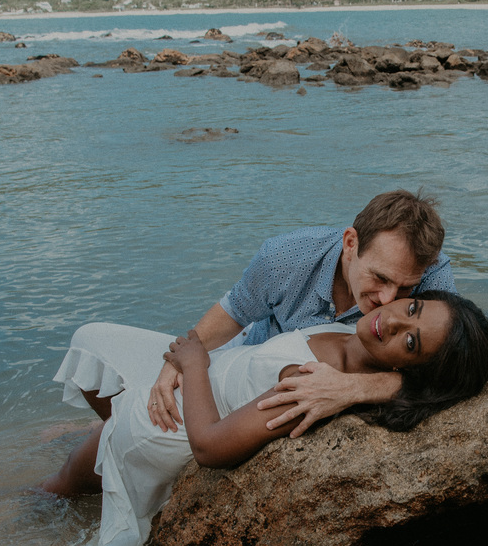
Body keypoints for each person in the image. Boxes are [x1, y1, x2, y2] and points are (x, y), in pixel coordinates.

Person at [0, 291, 488, 546]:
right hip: (205, 382)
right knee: (91, 338)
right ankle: (105, 465)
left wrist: (192, 365)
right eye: (412, 308)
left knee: (62, 482)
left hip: (182, 422)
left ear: (407, 370)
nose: (396, 322)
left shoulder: (308, 386)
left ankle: (15, 512)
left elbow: (211, 447)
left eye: (410, 342)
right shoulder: (357, 329)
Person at [142, 188, 456, 439]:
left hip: (287, 407)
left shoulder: (431, 276)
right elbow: (235, 310)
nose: (389, 298)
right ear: (350, 244)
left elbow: (453, 371)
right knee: (134, 406)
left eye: (404, 290)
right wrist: (175, 360)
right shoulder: (285, 257)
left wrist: (354, 389)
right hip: (250, 369)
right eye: (380, 278)